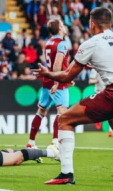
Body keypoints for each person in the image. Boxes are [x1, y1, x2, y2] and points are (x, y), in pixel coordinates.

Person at [33, 7, 113, 184]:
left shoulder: (91, 43)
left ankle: (66, 174)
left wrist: (47, 74)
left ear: (92, 24)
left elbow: (67, 75)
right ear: (110, 23)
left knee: (65, 119)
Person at [27, 19, 70, 159]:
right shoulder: (62, 44)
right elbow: (57, 66)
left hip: (47, 79)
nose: (64, 28)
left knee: (41, 111)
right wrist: (58, 82)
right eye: (62, 26)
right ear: (59, 29)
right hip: (56, 80)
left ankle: (31, 142)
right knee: (61, 112)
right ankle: (54, 143)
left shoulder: (49, 43)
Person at [88, 69, 113, 137]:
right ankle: (98, 119)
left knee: (111, 112)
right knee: (101, 110)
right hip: (98, 92)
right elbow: (90, 81)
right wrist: (96, 81)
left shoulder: (108, 67)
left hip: (107, 92)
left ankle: (111, 131)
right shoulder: (95, 69)